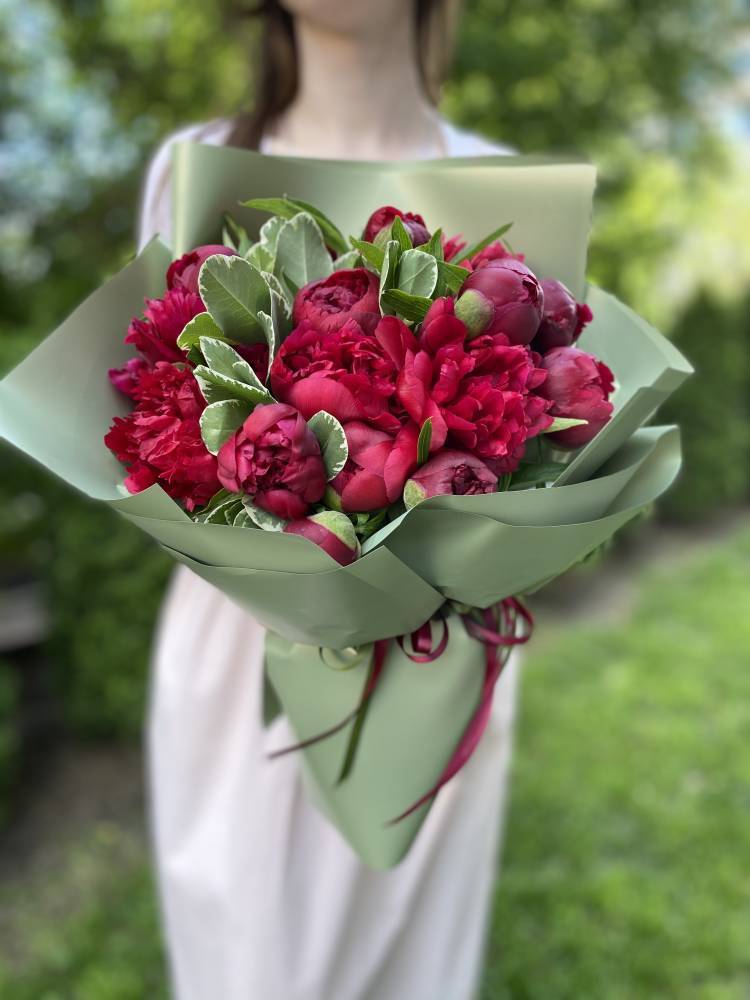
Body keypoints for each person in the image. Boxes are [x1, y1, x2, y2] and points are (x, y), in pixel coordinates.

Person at [139, 3, 520, 997]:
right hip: (242, 656)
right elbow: (148, 410)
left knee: (420, 965)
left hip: (439, 655)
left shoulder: (500, 181)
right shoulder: (193, 165)